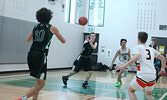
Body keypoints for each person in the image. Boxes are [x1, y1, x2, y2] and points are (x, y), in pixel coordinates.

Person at [15, 7, 66, 100]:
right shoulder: (52, 28)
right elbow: (63, 41)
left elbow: (28, 40)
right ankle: (23, 98)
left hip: (31, 54)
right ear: (49, 17)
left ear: (38, 17)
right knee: (41, 84)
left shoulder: (34, 27)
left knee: (38, 82)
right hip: (40, 55)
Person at [115, 32, 166, 100]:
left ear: (138, 39)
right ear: (146, 39)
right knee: (149, 94)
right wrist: (162, 70)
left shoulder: (137, 47)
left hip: (143, 75)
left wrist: (123, 66)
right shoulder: (151, 49)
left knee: (131, 91)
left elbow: (135, 58)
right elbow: (163, 59)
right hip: (153, 76)